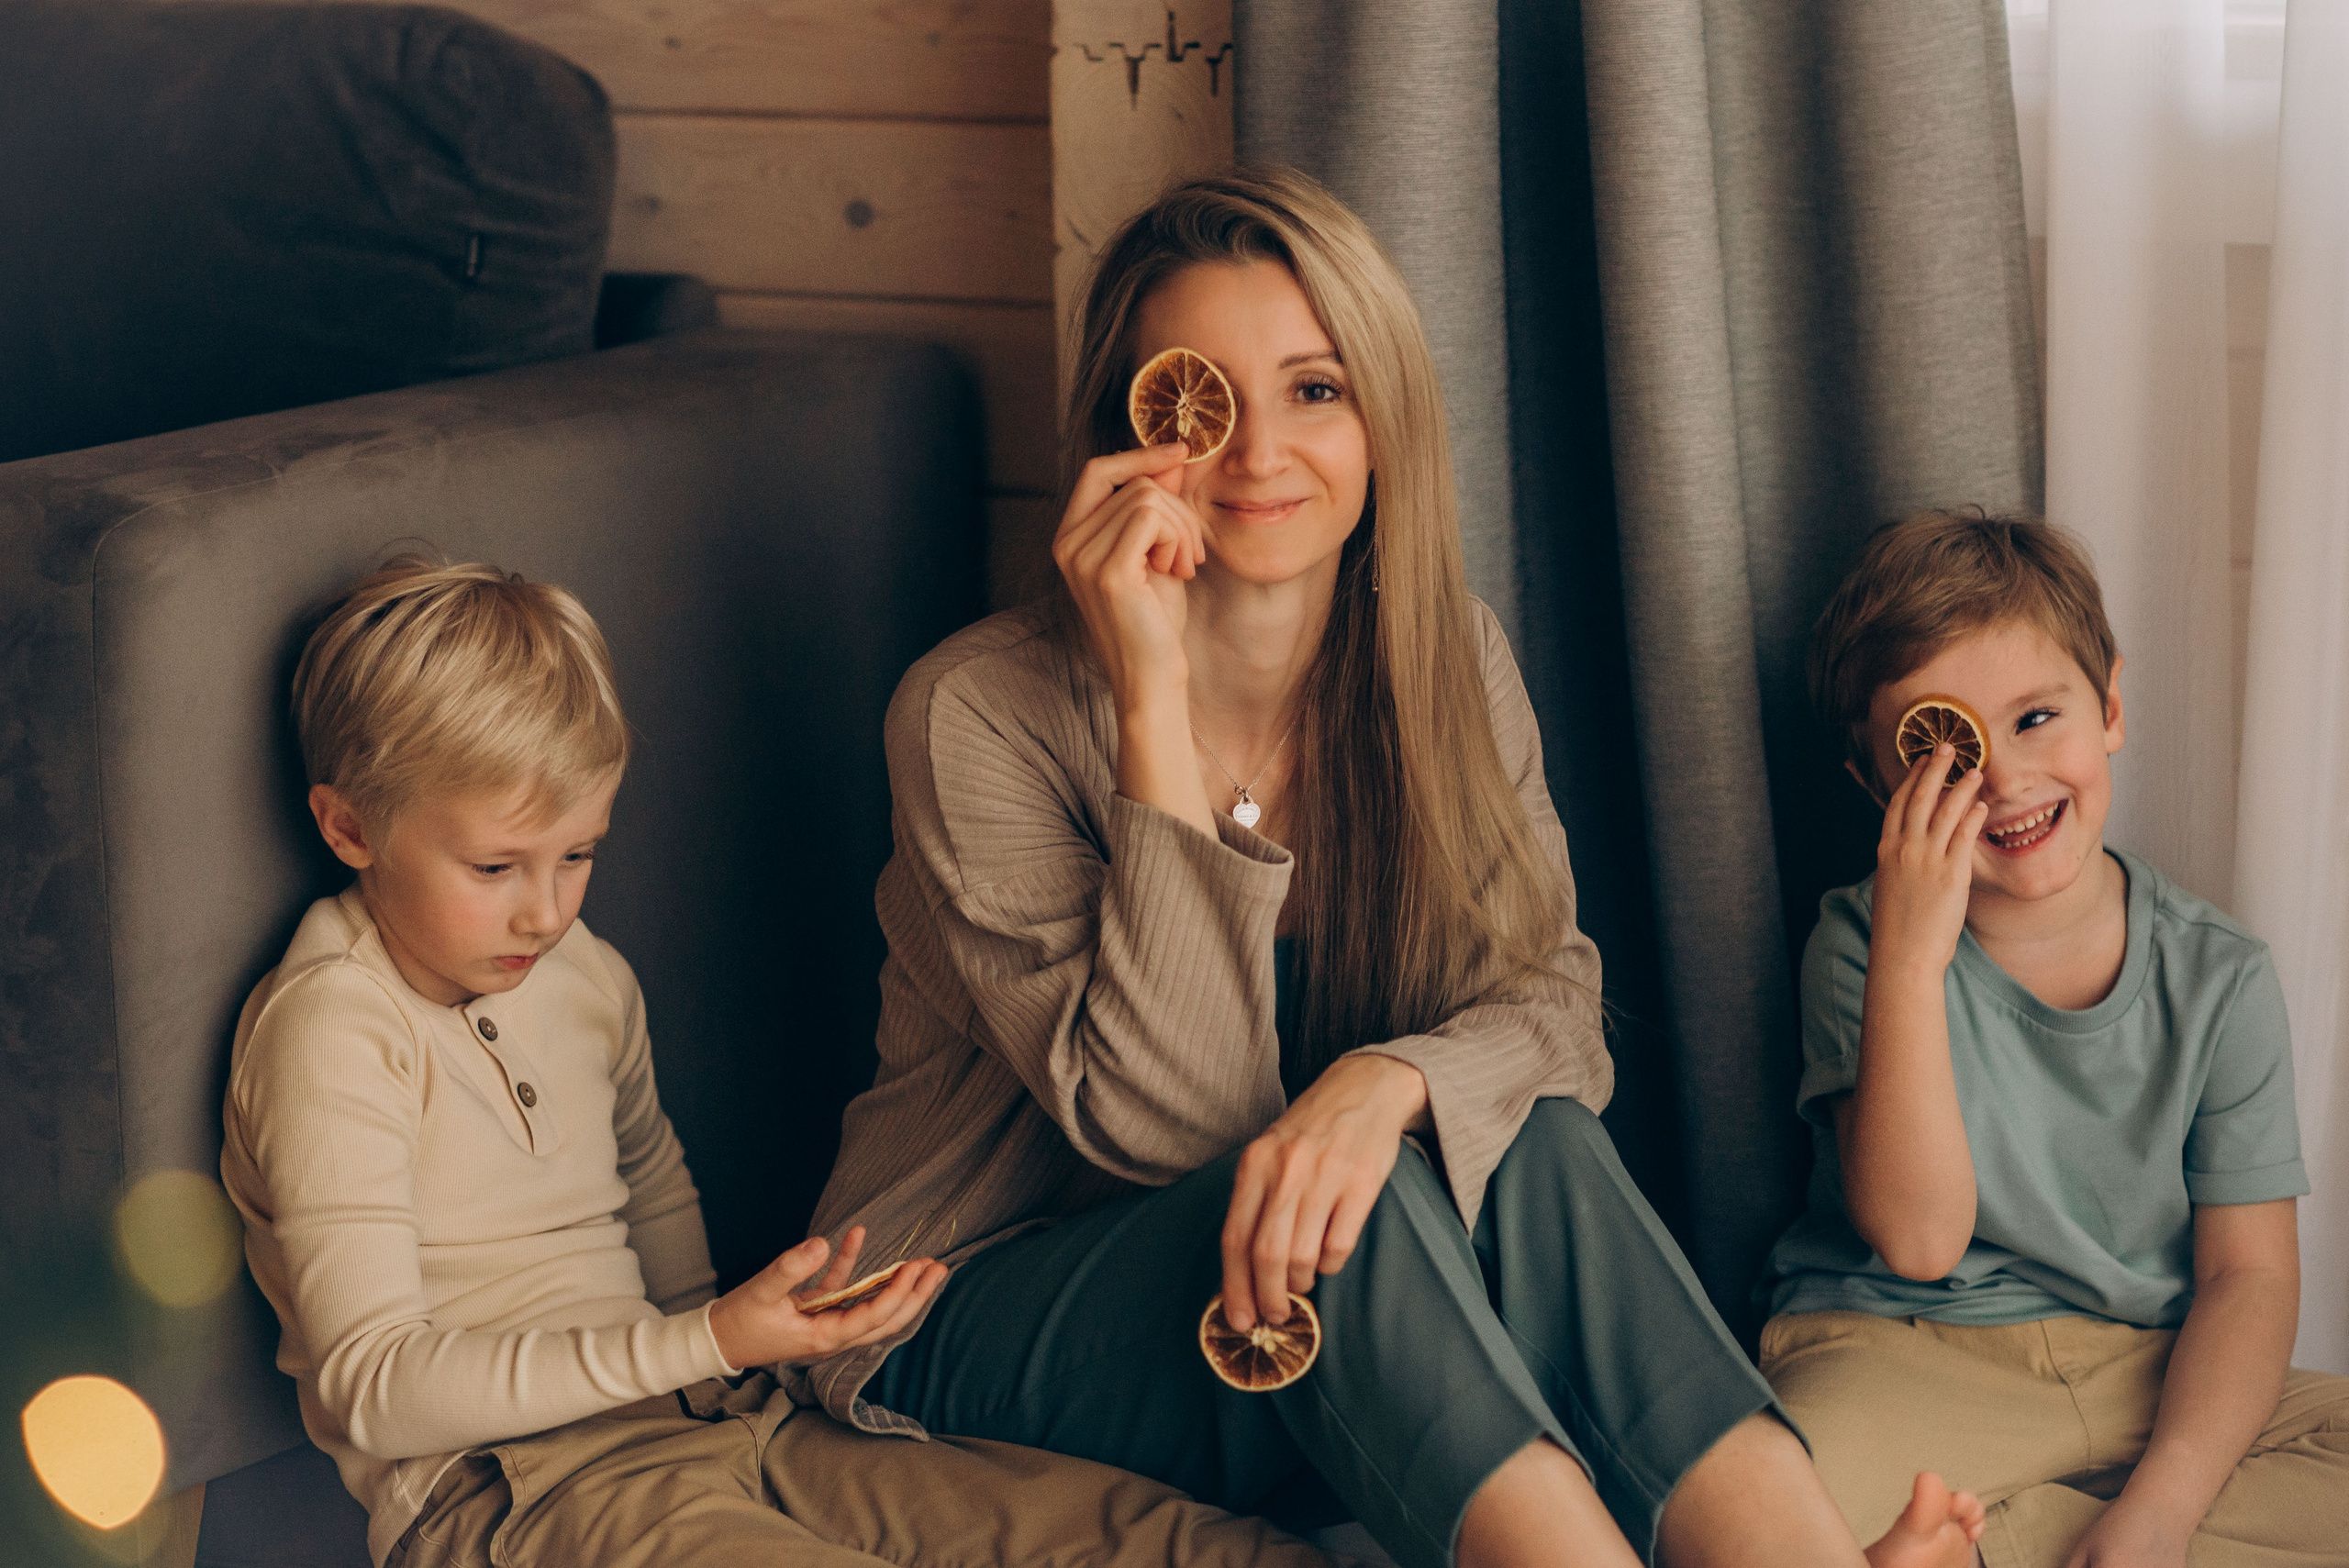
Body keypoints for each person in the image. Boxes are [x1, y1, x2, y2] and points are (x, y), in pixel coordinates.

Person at [796, 167, 1985, 1568]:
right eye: (1205, 400)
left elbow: (1556, 1012)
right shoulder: (976, 713)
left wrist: (1387, 1082)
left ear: (1383, 421)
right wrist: (1151, 699)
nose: (1259, 454)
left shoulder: (1444, 661)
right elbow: (1172, 1131)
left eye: (1315, 389)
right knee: (1337, 1203)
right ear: (1131, 434)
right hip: (962, 1299)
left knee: (1518, 1136)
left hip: (1295, 1287)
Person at [219, 556, 1341, 1568]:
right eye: (496, 866)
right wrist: (700, 1339)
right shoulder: (331, 1030)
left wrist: (732, 1348)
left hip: (723, 1418)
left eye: (579, 855)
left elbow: (651, 1181)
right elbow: (373, 1392)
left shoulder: (584, 976)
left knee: (1170, 1543)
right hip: (510, 1491)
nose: (547, 910)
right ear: (350, 828)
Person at [1758, 508, 2349, 1565]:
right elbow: (1920, 1239)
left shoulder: (2221, 976)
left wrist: (2161, 1507)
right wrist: (1909, 957)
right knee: (1758, 1508)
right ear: (1876, 785)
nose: (2004, 781)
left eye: (2035, 718)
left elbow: (2247, 1280)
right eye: (1942, 750)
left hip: (2145, 1370)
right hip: (1901, 1354)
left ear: (2111, 705)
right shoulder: (1856, 945)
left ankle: (2002, 1544)